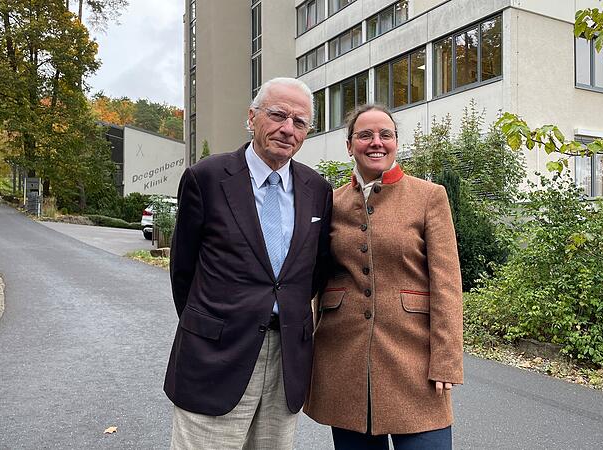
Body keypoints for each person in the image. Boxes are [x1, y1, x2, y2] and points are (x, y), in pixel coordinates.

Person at [164, 77, 333, 450]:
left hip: (287, 353)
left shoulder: (317, 190)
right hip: (216, 354)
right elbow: (183, 271)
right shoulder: (206, 178)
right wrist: (211, 324)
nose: (287, 129)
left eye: (300, 122)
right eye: (278, 115)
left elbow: (314, 271)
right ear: (253, 116)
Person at [304, 104, 463, 450]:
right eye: (365, 135)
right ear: (349, 146)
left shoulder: (428, 197)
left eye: (385, 134)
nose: (376, 142)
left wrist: (447, 360)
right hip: (344, 361)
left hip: (414, 359)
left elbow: (447, 284)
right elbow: (315, 278)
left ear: (395, 142)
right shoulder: (331, 202)